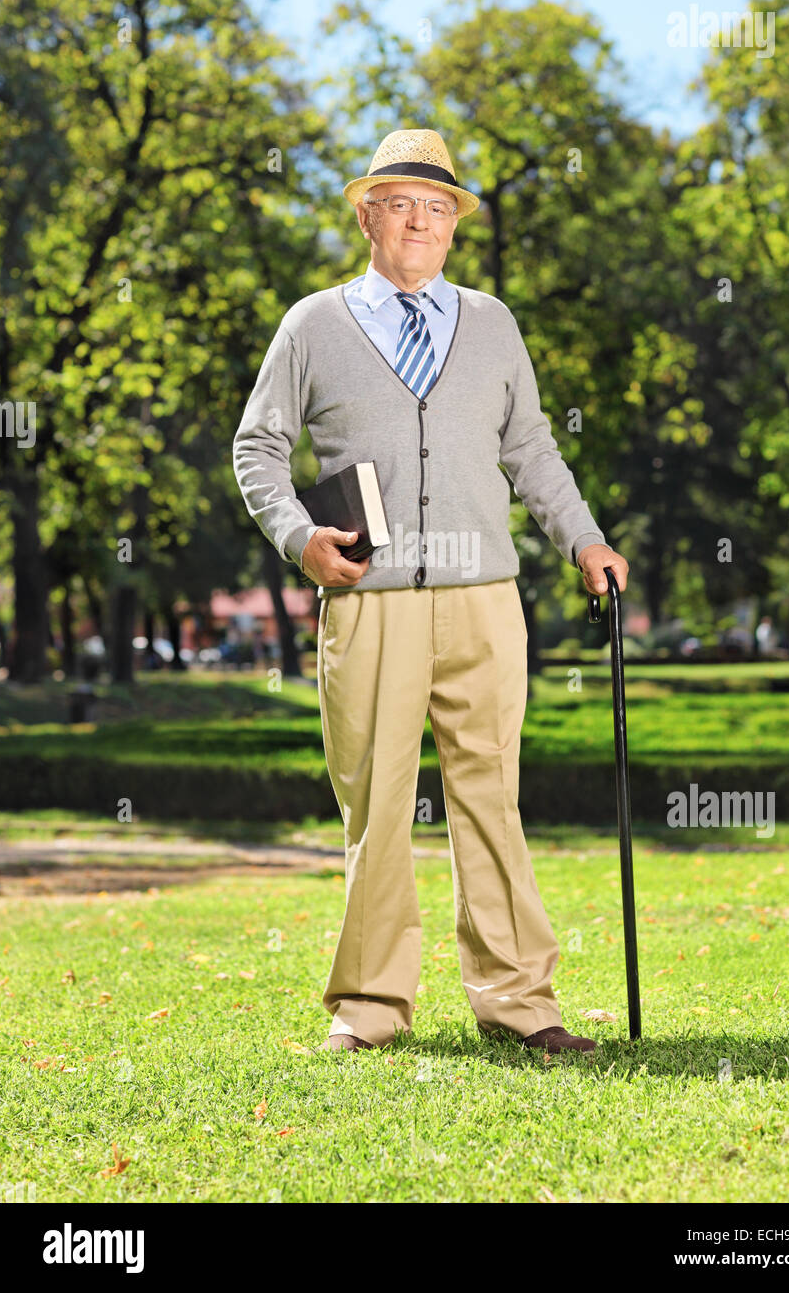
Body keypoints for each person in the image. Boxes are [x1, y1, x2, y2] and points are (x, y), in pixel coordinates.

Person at [233, 128, 629, 1057]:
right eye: (402, 204)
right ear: (368, 215)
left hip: (486, 599)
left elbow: (531, 447)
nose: (421, 221)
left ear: (454, 225)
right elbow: (258, 449)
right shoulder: (313, 324)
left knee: (492, 798)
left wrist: (585, 539)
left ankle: (522, 1006)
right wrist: (300, 539)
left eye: (439, 208)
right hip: (369, 603)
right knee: (375, 805)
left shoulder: (492, 322)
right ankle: (370, 1009)